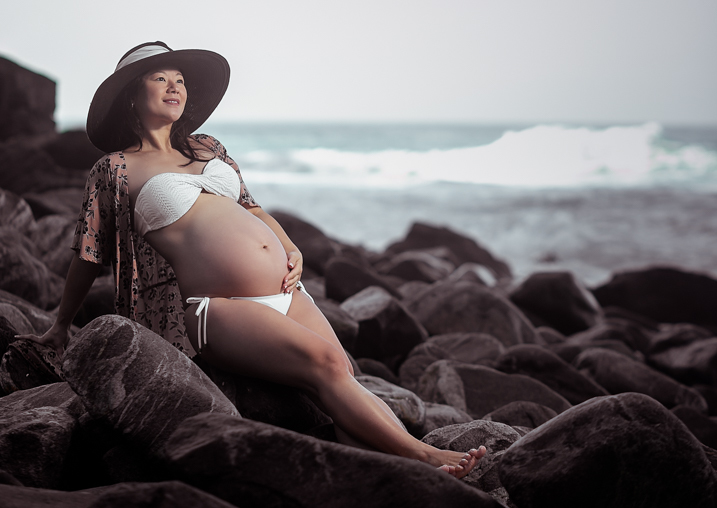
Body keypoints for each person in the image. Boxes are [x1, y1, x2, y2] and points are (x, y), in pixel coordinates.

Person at [21, 41, 485, 477]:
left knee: (343, 373)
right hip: (216, 307)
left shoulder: (208, 148)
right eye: (159, 78)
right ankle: (426, 455)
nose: (174, 86)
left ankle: (389, 476)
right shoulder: (114, 169)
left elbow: (251, 207)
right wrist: (62, 324)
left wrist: (291, 247)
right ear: (130, 98)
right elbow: (90, 251)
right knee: (324, 362)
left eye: (179, 79)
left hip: (287, 288)